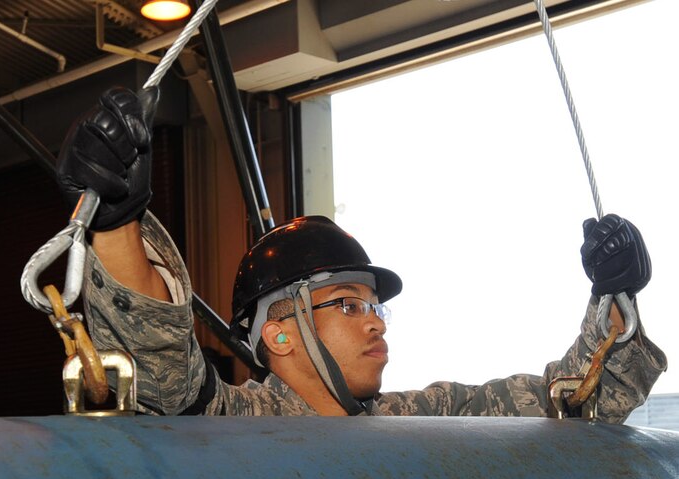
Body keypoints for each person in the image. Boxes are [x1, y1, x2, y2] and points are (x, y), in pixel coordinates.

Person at [56, 87, 667, 419]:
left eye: (374, 306)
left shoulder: (426, 419)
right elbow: (160, 374)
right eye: (347, 304)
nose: (375, 319)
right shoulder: (228, 426)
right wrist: (115, 222)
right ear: (280, 334)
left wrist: (613, 297)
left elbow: (576, 403)